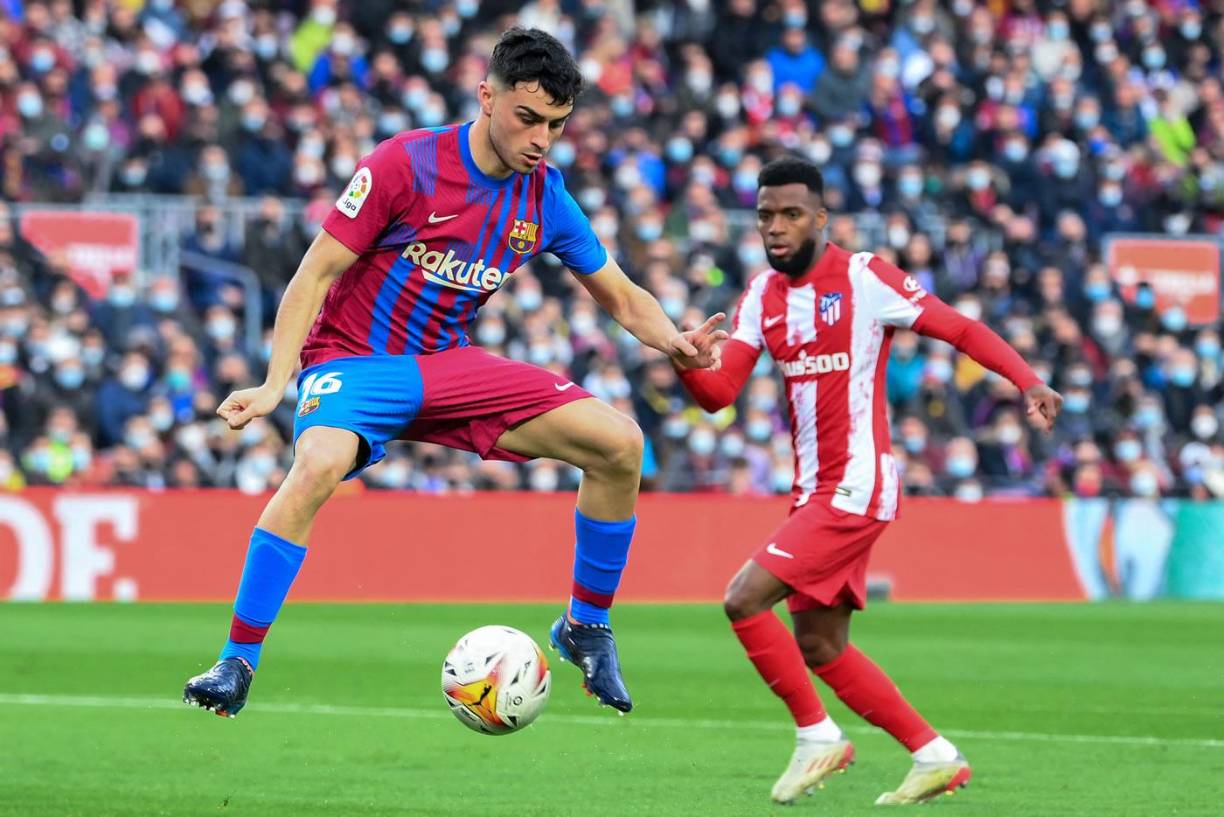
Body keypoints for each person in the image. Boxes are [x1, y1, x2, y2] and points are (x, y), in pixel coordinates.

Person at [183, 27, 727, 718]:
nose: (541, 139)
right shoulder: (404, 163)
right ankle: (238, 659)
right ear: (486, 96)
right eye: (527, 118)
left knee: (620, 445)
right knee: (317, 462)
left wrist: (673, 339)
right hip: (356, 360)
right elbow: (313, 272)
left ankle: (585, 625)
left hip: (448, 366)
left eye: (556, 126)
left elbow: (620, 294)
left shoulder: (545, 197)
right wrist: (272, 382)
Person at [675, 157, 1062, 805]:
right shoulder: (759, 296)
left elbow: (958, 327)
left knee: (743, 599)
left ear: (821, 220)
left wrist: (1027, 378)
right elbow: (718, 394)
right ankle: (936, 755)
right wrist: (683, 356)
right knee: (820, 642)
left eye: (791, 214)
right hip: (813, 489)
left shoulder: (865, 277)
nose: (776, 227)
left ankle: (816, 736)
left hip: (856, 482)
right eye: (767, 215)